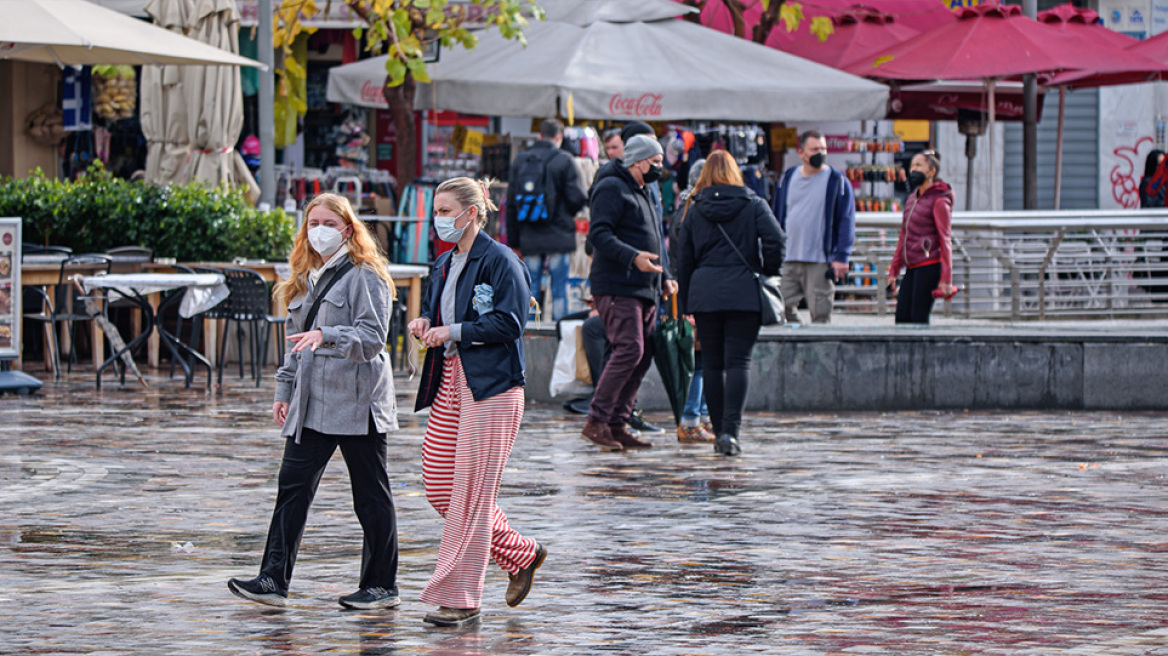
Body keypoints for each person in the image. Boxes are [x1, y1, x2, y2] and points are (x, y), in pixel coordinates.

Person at [227, 193, 400, 610]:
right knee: (292, 489)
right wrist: (283, 391)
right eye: (313, 222)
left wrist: (329, 335)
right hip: (311, 401)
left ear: (347, 228)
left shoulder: (367, 275)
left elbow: (374, 339)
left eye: (328, 222)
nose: (319, 230)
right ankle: (272, 579)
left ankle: (381, 585)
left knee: (370, 495)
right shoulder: (307, 276)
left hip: (358, 402)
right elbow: (293, 345)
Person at [409, 177, 545, 627]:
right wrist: (426, 320)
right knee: (440, 483)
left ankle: (461, 599)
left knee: (470, 492)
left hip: (494, 386)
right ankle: (519, 552)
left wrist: (454, 331)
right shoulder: (444, 263)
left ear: (472, 212)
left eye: (446, 210)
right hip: (451, 379)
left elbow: (510, 322)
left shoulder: (501, 260)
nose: (439, 219)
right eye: (436, 210)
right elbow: (439, 312)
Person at [677, 151, 785, 457]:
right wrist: (767, 270)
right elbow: (776, 239)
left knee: (711, 363)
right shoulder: (753, 204)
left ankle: (717, 429)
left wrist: (686, 301)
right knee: (739, 362)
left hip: (705, 293)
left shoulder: (694, 208)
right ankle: (731, 432)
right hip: (744, 291)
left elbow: (683, 258)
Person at [582, 134, 677, 451]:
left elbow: (655, 239)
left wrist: (666, 276)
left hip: (645, 286)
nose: (660, 168)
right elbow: (599, 234)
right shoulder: (611, 186)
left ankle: (616, 423)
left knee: (643, 352)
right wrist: (632, 257)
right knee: (629, 349)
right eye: (656, 161)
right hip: (617, 283)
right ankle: (596, 420)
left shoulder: (644, 191)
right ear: (637, 160)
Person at [506, 119, 587, 321]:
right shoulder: (565, 160)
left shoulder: (521, 161)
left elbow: (511, 204)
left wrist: (514, 241)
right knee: (559, 287)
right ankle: (559, 334)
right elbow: (577, 198)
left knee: (531, 285)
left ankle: (531, 333)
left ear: (539, 136)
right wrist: (564, 212)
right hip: (559, 233)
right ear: (559, 137)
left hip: (529, 232)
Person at [772, 130, 855, 324]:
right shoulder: (788, 178)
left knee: (820, 315)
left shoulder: (837, 181)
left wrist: (841, 256)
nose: (821, 153)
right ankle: (797, 339)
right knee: (778, 309)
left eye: (823, 148)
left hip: (819, 261)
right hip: (789, 259)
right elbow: (776, 216)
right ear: (801, 153)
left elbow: (846, 220)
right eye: (815, 149)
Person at [669, 157, 714, 444]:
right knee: (697, 360)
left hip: (690, 292)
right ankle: (690, 419)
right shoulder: (691, 209)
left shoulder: (684, 206)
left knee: (700, 359)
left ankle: (700, 415)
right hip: (692, 294)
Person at [887, 150, 955, 325]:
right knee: (902, 317)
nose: (913, 170)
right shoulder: (912, 198)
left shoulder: (939, 200)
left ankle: (923, 352)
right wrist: (894, 270)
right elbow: (904, 234)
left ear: (931, 171)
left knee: (918, 317)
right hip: (912, 265)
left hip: (930, 264)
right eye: (912, 166)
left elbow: (945, 238)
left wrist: (946, 279)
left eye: (919, 165)